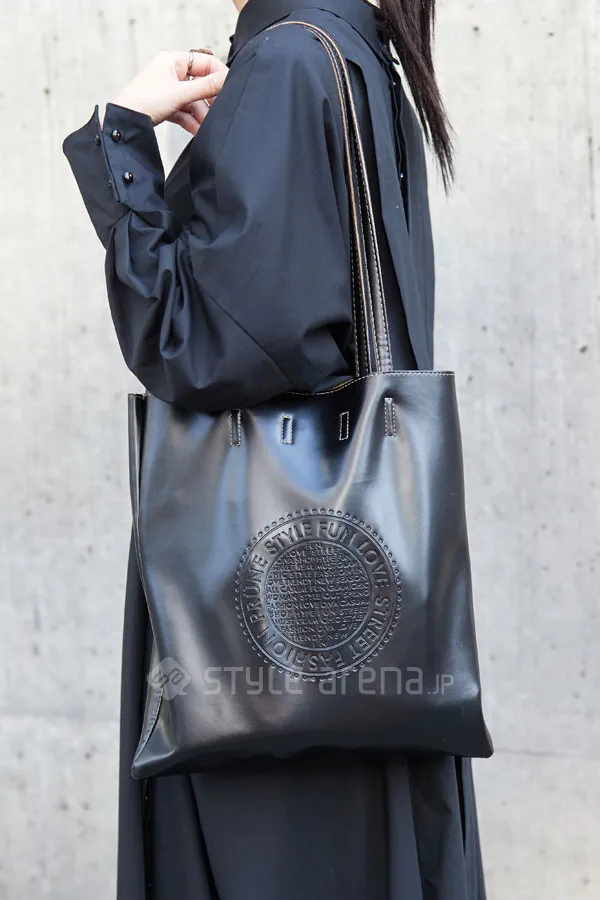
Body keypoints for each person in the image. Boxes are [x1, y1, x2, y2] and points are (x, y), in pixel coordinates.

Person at [62, 0, 487, 897]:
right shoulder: (355, 52)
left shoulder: (291, 64)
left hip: (259, 634)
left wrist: (122, 137)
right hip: (359, 621)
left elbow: (197, 348)